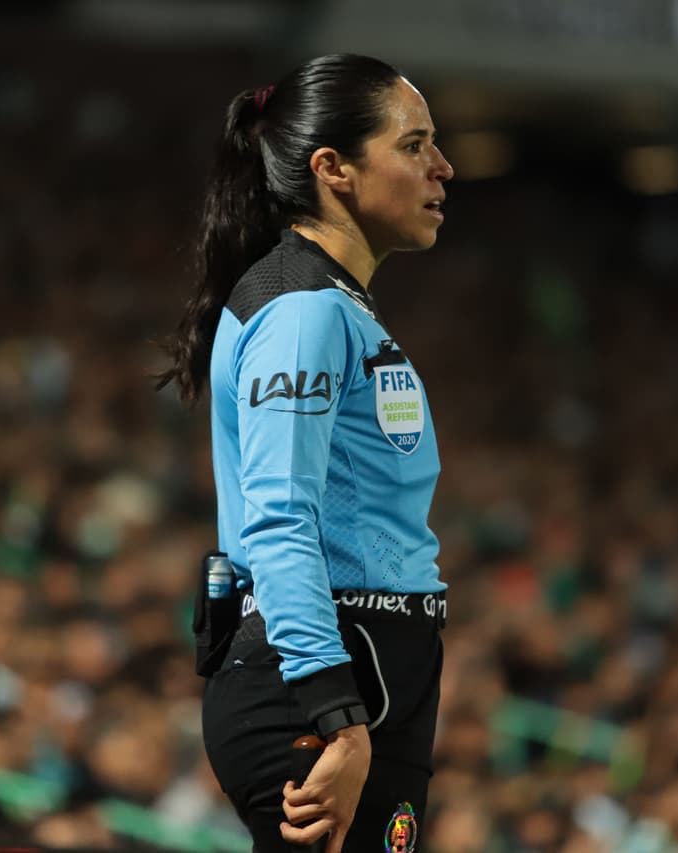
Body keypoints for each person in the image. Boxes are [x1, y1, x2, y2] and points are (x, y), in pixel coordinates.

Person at [156, 54, 454, 853]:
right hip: (325, 684)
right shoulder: (303, 311)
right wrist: (337, 715)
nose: (442, 166)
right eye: (415, 143)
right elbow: (282, 520)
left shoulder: (334, 306)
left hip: (370, 679)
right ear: (334, 169)